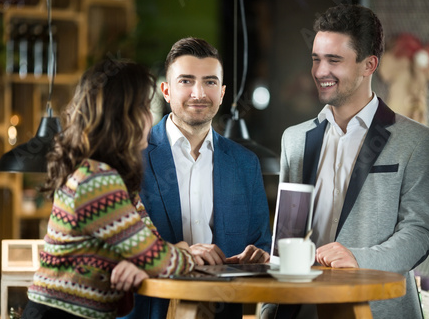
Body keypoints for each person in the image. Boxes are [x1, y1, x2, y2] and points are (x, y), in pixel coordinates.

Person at [270, 4, 429, 319]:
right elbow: (287, 235)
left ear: (369, 65)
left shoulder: (417, 141)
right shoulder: (294, 139)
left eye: (334, 60)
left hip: (376, 309)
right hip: (301, 311)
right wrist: (271, 310)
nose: (321, 71)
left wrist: (358, 258)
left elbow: (419, 233)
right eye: (316, 59)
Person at [22, 59, 196, 319]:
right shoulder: (96, 181)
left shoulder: (112, 179)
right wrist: (191, 255)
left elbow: (150, 248)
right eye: (144, 108)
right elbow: (159, 259)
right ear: (121, 117)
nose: (151, 118)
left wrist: (153, 257)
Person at [122, 37, 272, 319]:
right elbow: (116, 249)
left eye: (210, 82)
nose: (199, 93)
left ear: (223, 91)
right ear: (166, 90)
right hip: (148, 311)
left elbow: (262, 244)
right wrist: (181, 253)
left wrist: (262, 257)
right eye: (186, 81)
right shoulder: (130, 158)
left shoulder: (245, 164)